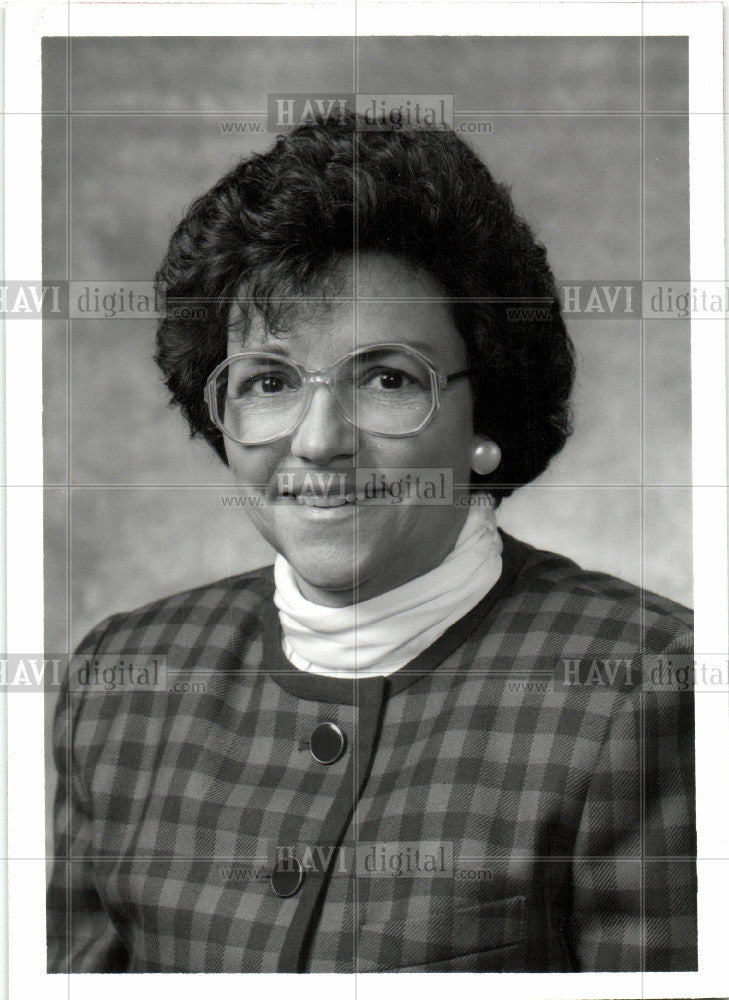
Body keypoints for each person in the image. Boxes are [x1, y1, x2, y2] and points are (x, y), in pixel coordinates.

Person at [47, 111, 696, 974]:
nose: (318, 440)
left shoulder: (645, 684)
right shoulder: (121, 678)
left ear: (485, 416)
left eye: (387, 379)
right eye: (269, 381)